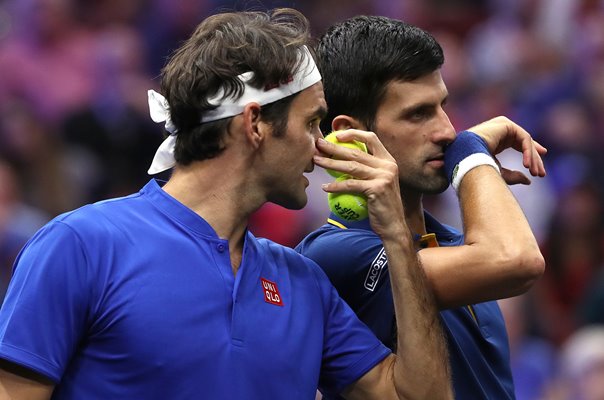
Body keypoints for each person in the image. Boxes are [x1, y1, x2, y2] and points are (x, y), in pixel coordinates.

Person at [0, 9, 453, 400]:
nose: (322, 148)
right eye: (312, 122)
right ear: (255, 123)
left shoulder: (303, 282)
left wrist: (396, 235)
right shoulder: (82, 244)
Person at [296, 16, 546, 399]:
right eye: (418, 114)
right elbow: (516, 260)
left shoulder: (454, 243)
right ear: (349, 134)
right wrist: (470, 153)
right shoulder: (334, 255)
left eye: (443, 106)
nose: (447, 130)